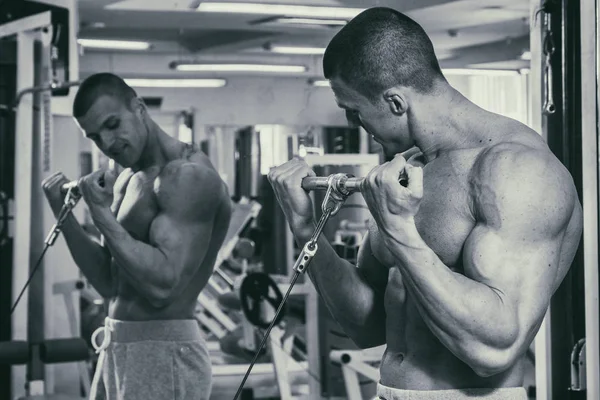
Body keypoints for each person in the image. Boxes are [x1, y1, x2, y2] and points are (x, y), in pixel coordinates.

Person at [268, 7, 582, 400]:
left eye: (355, 112)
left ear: (396, 102)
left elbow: (495, 349)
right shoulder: (411, 168)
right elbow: (367, 325)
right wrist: (304, 228)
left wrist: (400, 231)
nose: (354, 126)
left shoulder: (518, 170)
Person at [41, 73, 232, 399]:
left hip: (164, 348)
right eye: (95, 137)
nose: (107, 143)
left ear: (139, 107)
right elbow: (108, 282)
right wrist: (65, 215)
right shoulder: (127, 178)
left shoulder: (189, 177)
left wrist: (100, 215)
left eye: (113, 125)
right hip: (118, 344)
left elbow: (163, 286)